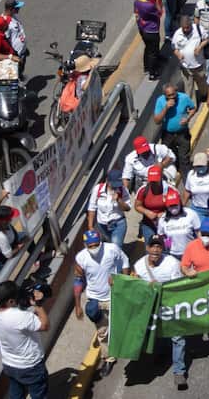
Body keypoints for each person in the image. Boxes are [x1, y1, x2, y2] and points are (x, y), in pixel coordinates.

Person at [73, 229, 130, 379]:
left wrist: (121, 279)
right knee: (102, 332)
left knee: (120, 324)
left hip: (115, 296)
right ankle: (109, 358)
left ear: (101, 242)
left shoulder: (112, 249)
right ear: (85, 245)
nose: (94, 248)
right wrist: (78, 305)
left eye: (96, 245)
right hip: (95, 299)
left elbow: (125, 262)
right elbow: (78, 280)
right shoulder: (81, 258)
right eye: (90, 246)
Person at [133, 236, 189, 387]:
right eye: (152, 246)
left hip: (170, 306)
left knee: (178, 338)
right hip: (152, 309)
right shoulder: (139, 266)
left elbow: (177, 287)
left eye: (159, 247)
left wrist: (159, 287)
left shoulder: (172, 263)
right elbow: (135, 289)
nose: (155, 250)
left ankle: (179, 371)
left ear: (163, 249)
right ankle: (161, 355)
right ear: (147, 248)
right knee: (156, 335)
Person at [0, 280, 50, 399]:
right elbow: (45, 325)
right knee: (39, 395)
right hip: (30, 366)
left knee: (16, 394)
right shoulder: (21, 317)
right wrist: (37, 305)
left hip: (9, 363)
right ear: (10, 301)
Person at [152, 82, 195, 178]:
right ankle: (175, 171)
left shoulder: (184, 98)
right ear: (164, 95)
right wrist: (166, 108)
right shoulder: (160, 101)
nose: (171, 97)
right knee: (171, 156)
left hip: (182, 133)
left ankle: (186, 177)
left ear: (176, 92)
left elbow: (192, 108)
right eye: (168, 96)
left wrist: (188, 118)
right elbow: (157, 121)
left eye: (173, 94)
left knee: (184, 156)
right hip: (168, 134)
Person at [134, 165, 179, 244]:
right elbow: (137, 206)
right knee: (149, 247)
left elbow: (178, 207)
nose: (153, 183)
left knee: (167, 246)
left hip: (167, 223)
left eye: (155, 181)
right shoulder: (143, 190)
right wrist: (147, 212)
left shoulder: (170, 190)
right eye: (152, 181)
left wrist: (165, 214)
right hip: (149, 223)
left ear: (161, 178)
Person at [171, 14, 209, 104]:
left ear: (190, 24)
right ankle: (192, 105)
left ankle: (204, 94)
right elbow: (174, 48)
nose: (185, 30)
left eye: (187, 27)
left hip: (198, 64)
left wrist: (200, 47)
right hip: (186, 67)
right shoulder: (177, 34)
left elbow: (206, 39)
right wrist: (178, 54)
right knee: (189, 87)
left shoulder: (198, 29)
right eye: (183, 28)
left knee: (202, 83)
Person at [86, 170, 131, 245]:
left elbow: (127, 208)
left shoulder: (123, 190)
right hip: (102, 225)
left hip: (118, 224)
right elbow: (92, 208)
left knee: (115, 247)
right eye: (113, 184)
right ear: (107, 181)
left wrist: (118, 200)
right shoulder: (98, 189)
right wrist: (90, 226)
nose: (115, 186)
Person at [134, 0, 162, 80]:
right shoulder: (149, 6)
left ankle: (146, 68)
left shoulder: (137, 1)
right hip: (152, 31)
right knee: (153, 52)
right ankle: (152, 73)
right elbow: (160, 12)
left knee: (148, 49)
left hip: (143, 29)